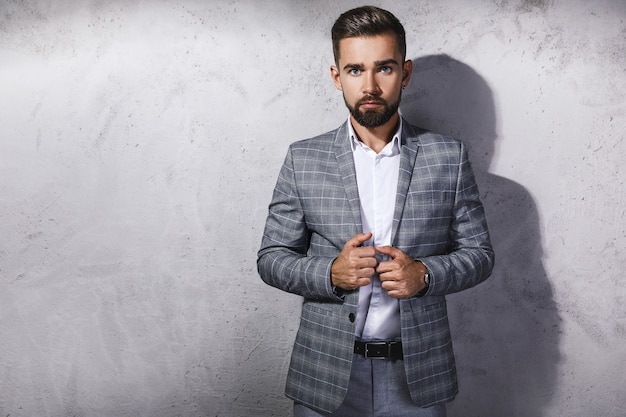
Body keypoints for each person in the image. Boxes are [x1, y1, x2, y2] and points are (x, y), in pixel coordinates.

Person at [257, 6, 494, 417]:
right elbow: (271, 258)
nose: (369, 85)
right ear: (337, 77)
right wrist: (330, 273)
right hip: (326, 372)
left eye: (383, 69)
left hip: (417, 376)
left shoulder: (448, 156)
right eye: (354, 70)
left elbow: (480, 255)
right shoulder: (303, 158)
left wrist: (424, 274)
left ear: (405, 73)